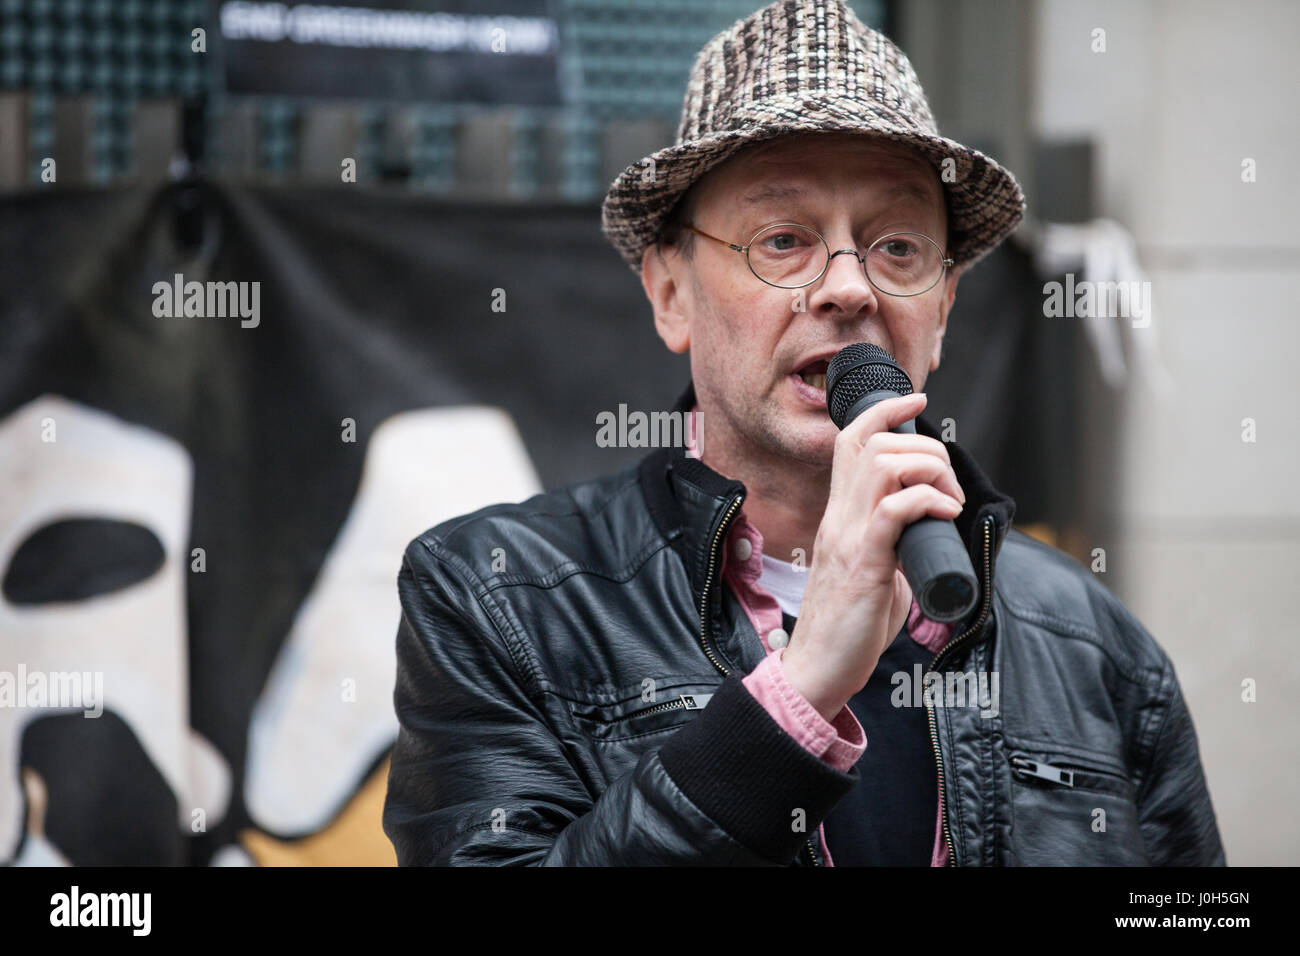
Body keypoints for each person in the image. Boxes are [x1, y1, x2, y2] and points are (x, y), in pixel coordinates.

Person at [382, 0, 1225, 866]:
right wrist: (802, 688)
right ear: (671, 293)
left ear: (941, 312)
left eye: (897, 246)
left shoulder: (1092, 640)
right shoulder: (498, 599)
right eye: (782, 240)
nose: (848, 288)